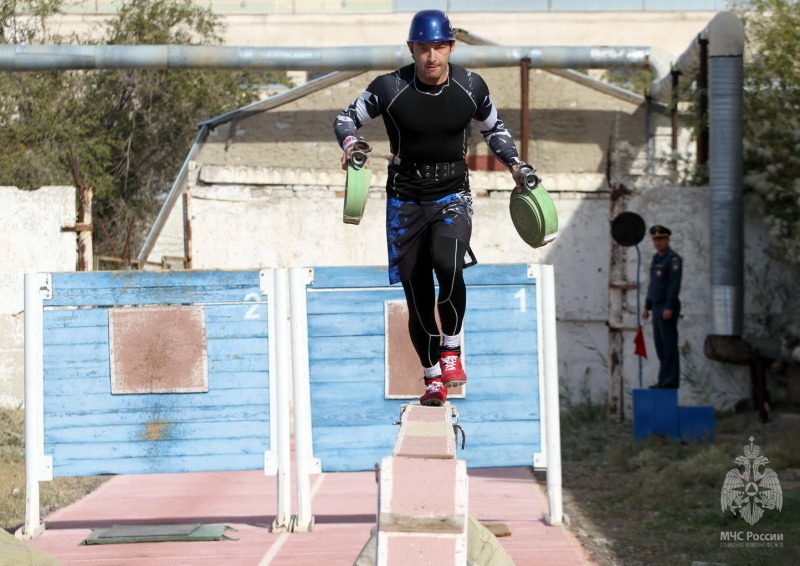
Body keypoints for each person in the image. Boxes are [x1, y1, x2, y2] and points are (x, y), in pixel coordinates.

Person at [333, 9, 529, 407]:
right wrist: (352, 145)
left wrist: (516, 165)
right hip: (405, 198)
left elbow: (495, 128)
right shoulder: (389, 87)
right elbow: (345, 118)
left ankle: (452, 349)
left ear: (451, 48)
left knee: (449, 263)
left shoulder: (472, 86)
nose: (432, 56)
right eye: (423, 47)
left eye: (439, 46)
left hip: (452, 194)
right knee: (418, 296)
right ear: (412, 49)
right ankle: (433, 376)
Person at [642, 225, 682, 389]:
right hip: (657, 305)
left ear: (667, 240)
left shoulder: (673, 259)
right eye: (655, 239)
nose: (657, 242)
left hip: (667, 305)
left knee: (669, 344)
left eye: (661, 239)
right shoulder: (656, 259)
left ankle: (671, 380)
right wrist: (647, 306)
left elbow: (673, 285)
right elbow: (654, 285)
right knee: (660, 345)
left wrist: (669, 306)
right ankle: (663, 379)